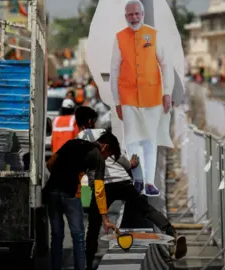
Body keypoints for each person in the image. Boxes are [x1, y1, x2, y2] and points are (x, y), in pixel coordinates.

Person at [74, 106, 187, 269]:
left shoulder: (79, 139)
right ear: (91, 121)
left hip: (102, 186)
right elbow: (120, 158)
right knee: (145, 209)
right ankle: (172, 233)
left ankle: (88, 262)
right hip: (122, 180)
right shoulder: (104, 135)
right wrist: (131, 164)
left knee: (94, 225)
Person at [110, 0, 174, 196]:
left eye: (137, 14)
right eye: (130, 15)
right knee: (132, 140)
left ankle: (149, 182)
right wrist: (117, 102)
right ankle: (137, 178)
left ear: (143, 14)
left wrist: (167, 92)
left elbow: (165, 65)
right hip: (128, 96)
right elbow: (114, 71)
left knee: (149, 140)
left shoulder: (154, 35)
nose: (134, 18)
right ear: (126, 16)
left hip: (152, 96)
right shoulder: (120, 38)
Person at [44, 131, 121, 270]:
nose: (105, 158)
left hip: (52, 191)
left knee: (56, 236)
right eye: (108, 155)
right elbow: (99, 189)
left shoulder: (71, 142)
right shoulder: (97, 155)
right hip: (70, 194)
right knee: (78, 236)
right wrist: (104, 218)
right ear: (105, 147)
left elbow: (50, 164)